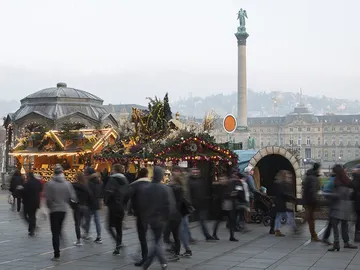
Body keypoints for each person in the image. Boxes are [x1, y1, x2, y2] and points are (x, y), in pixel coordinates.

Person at [140, 166, 172, 270]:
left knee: (156, 240)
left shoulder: (147, 188)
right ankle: (149, 263)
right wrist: (167, 217)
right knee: (157, 242)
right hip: (161, 219)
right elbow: (169, 205)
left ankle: (162, 262)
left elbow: (143, 204)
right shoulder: (165, 188)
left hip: (150, 218)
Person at [44, 164, 77, 261]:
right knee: (59, 228)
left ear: (54, 173)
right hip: (64, 210)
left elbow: (48, 198)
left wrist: (50, 206)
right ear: (62, 173)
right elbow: (72, 197)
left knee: (54, 232)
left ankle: (56, 253)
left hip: (54, 210)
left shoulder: (49, 184)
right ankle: (62, 239)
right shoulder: (67, 184)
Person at [327, 165, 357, 251]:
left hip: (338, 207)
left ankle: (336, 243)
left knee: (335, 225)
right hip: (346, 207)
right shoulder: (346, 180)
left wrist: (327, 195)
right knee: (344, 225)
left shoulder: (338, 181)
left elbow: (338, 194)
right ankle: (346, 242)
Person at [104, 164, 129, 255]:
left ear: (115, 170)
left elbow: (109, 192)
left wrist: (106, 201)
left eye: (113, 169)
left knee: (109, 226)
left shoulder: (112, 179)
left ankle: (118, 244)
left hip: (113, 206)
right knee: (119, 228)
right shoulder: (125, 180)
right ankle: (118, 245)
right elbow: (127, 193)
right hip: (121, 207)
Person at [128, 168, 151, 266]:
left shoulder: (134, 185)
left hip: (141, 214)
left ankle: (145, 257)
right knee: (154, 238)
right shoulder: (153, 184)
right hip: (153, 214)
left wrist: (130, 210)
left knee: (142, 237)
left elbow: (128, 198)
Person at [188, 167, 214, 241]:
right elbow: (189, 193)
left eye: (197, 171)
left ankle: (207, 235)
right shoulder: (189, 181)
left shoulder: (202, 180)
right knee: (187, 222)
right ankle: (188, 237)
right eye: (194, 171)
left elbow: (205, 190)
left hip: (201, 204)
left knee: (202, 220)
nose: (195, 172)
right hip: (192, 204)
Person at [166, 166, 184, 262]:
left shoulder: (173, 188)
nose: (169, 178)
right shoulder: (178, 188)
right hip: (177, 215)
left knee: (167, 235)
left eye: (170, 177)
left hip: (172, 215)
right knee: (175, 235)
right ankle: (176, 252)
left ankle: (174, 251)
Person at [273, 170, 298, 237]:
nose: (288, 177)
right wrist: (293, 198)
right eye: (287, 175)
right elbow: (285, 193)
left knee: (280, 216)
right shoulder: (283, 184)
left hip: (280, 202)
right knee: (289, 215)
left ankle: (277, 230)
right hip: (284, 203)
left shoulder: (278, 183)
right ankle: (294, 228)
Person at [302, 162, 321, 242]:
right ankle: (313, 235)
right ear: (317, 169)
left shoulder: (308, 176)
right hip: (311, 201)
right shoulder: (313, 178)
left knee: (309, 218)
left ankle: (313, 234)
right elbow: (313, 190)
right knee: (311, 218)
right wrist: (316, 201)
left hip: (307, 200)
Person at [83, 167, 102, 244]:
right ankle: (99, 236)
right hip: (96, 202)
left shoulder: (89, 182)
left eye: (86, 173)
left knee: (87, 220)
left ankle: (87, 234)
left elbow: (88, 194)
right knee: (96, 220)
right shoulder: (98, 181)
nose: (84, 174)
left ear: (89, 174)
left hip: (90, 203)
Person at [72, 173, 91, 246]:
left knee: (77, 224)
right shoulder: (86, 186)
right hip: (84, 206)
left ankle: (78, 240)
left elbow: (71, 196)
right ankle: (86, 233)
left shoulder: (73, 186)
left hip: (76, 206)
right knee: (81, 221)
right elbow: (89, 196)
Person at [22, 172, 43, 236]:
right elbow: (41, 189)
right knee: (33, 215)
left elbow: (24, 192)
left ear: (29, 176)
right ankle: (32, 228)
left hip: (28, 202)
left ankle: (32, 228)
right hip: (36, 201)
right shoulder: (38, 182)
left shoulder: (27, 183)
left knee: (26, 215)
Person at [352, 165, 360, 242]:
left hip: (356, 203)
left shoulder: (354, 179)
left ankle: (357, 236)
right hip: (358, 202)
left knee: (357, 220)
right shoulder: (357, 179)